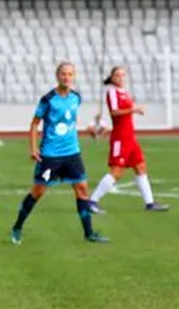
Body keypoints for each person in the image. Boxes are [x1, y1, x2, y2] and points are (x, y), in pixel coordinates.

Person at [10, 62, 108, 245]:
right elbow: (34, 124)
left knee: (82, 190)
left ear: (74, 76)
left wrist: (93, 128)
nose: (67, 77)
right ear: (57, 76)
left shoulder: (76, 98)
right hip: (50, 155)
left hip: (72, 153)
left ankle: (89, 233)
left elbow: (70, 122)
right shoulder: (48, 99)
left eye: (70, 74)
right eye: (63, 74)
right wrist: (33, 148)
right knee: (37, 192)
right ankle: (17, 227)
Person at [86, 66, 170, 213]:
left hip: (130, 137)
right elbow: (114, 112)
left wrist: (133, 109)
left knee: (140, 167)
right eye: (117, 76)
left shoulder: (124, 92)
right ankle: (92, 201)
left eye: (123, 75)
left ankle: (149, 203)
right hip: (120, 137)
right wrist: (133, 110)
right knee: (117, 171)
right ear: (112, 78)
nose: (121, 78)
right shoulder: (111, 92)